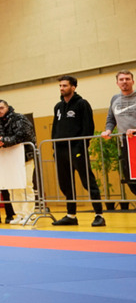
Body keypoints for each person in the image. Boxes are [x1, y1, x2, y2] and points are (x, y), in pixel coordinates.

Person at [51, 75, 104, 227]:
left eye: (65, 86)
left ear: (73, 87)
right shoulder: (58, 107)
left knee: (88, 182)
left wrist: (81, 147)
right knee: (66, 184)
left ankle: (99, 214)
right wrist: (55, 148)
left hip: (77, 149)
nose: (62, 88)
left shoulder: (82, 104)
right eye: (60, 86)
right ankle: (71, 215)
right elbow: (55, 128)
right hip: (61, 150)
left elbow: (88, 127)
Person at [0, 99, 37, 224]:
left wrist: (5, 140)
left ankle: (29, 214)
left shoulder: (20, 118)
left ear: (7, 107)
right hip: (9, 159)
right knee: (12, 187)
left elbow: (23, 135)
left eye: (1, 108)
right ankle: (19, 214)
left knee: (26, 185)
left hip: (25, 156)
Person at [101, 70, 136, 208]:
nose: (124, 81)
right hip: (125, 146)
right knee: (130, 180)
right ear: (117, 83)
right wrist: (108, 130)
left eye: (127, 79)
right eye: (121, 79)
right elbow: (110, 118)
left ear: (132, 81)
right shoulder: (115, 99)